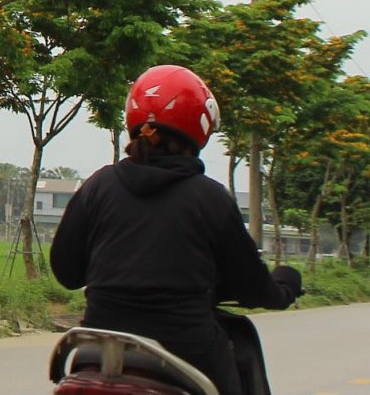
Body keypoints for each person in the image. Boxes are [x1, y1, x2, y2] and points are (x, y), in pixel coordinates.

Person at [52, 64, 302, 395]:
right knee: (240, 349)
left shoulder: (98, 185)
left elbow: (67, 272)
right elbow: (252, 287)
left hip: (99, 345)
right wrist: (284, 285)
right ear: (198, 128)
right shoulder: (211, 198)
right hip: (187, 350)